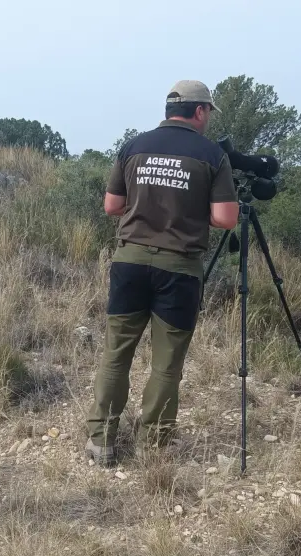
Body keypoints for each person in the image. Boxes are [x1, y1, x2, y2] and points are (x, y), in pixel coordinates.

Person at [84, 79, 240, 467]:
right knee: (166, 362)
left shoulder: (134, 146)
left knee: (116, 353)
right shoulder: (210, 155)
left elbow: (111, 205)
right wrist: (188, 208)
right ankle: (154, 442)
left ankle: (102, 438)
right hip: (179, 269)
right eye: (208, 113)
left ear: (170, 109)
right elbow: (224, 218)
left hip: (129, 263)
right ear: (200, 111)